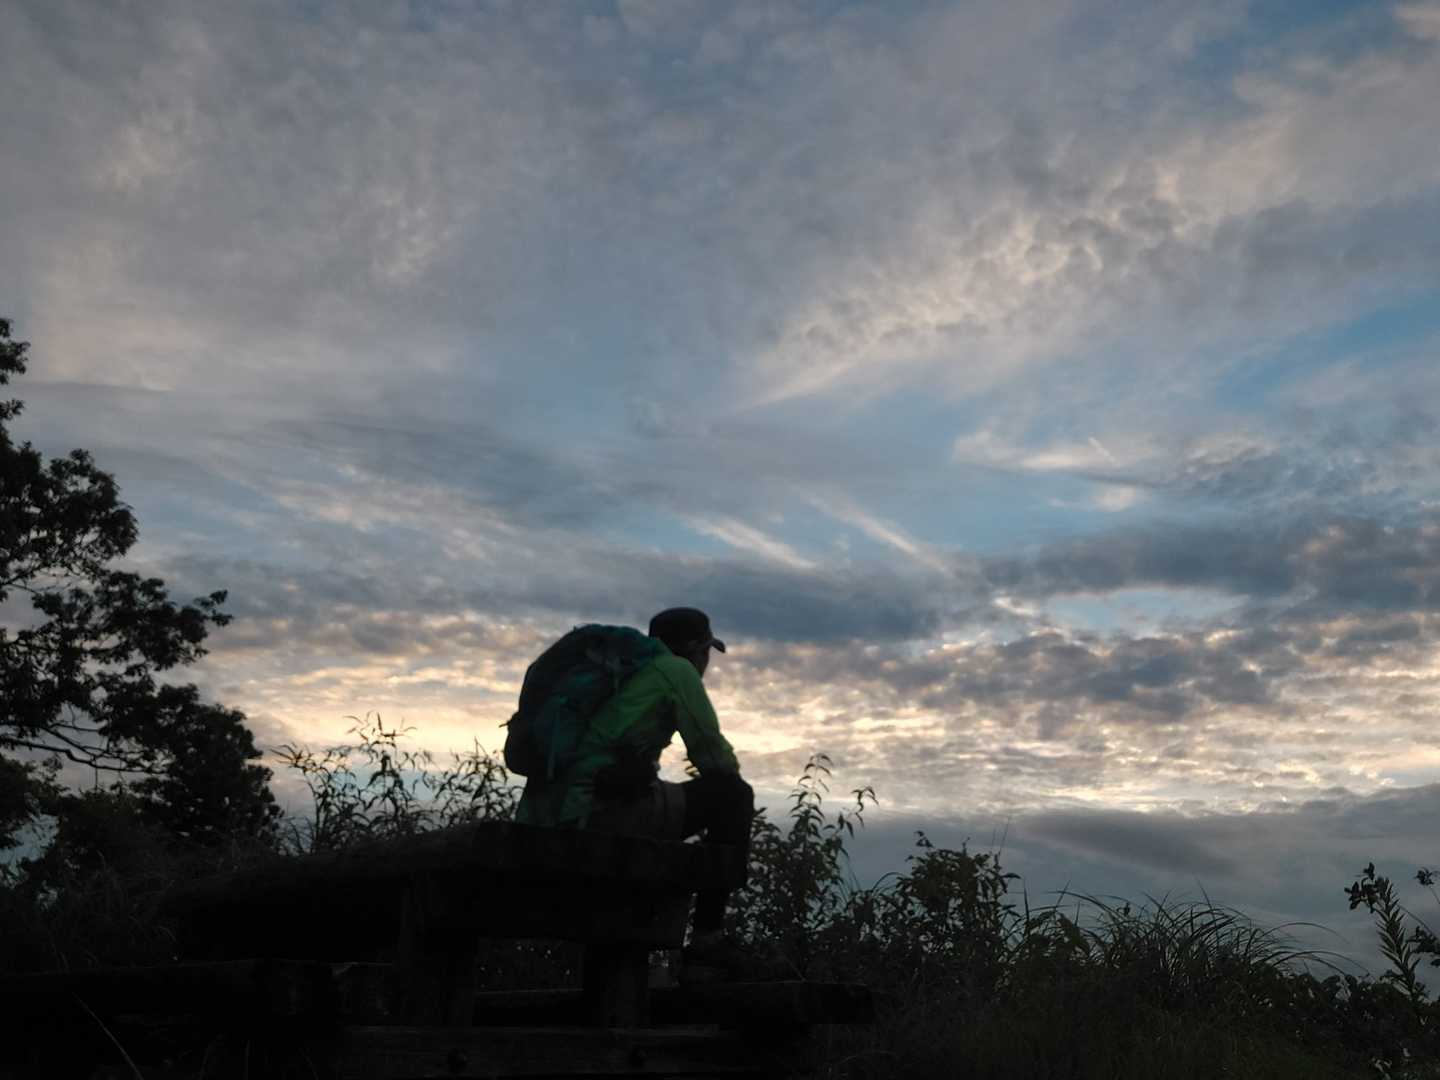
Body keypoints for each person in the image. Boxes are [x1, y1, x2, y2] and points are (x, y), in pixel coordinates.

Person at [514, 607, 757, 973]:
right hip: (596, 814)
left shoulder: (625, 672)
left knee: (670, 797)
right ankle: (707, 941)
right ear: (696, 650)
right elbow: (714, 759)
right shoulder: (677, 671)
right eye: (707, 652)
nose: (707, 663)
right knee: (733, 797)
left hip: (547, 816)